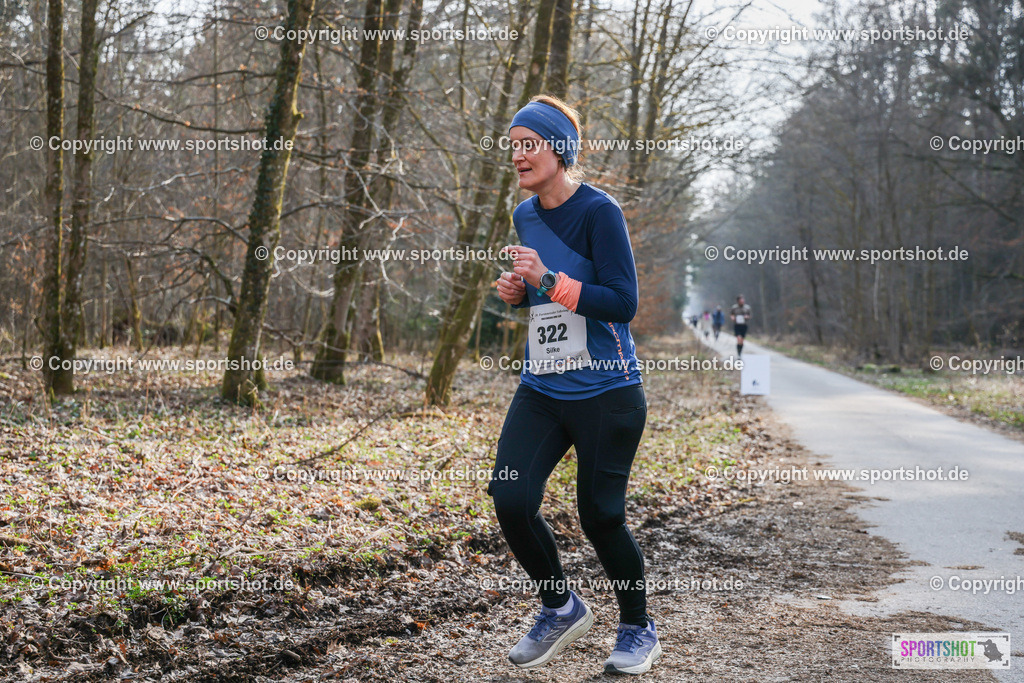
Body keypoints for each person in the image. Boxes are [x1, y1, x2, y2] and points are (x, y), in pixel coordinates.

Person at [492, 95, 660, 675]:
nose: (518, 156)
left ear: (560, 149)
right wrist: (520, 293)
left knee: (600, 515)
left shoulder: (599, 212)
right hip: (543, 385)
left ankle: (637, 628)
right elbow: (546, 298)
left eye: (529, 144)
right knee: (511, 498)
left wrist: (547, 280)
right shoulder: (525, 214)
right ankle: (560, 607)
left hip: (607, 390)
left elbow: (622, 302)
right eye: (513, 146)